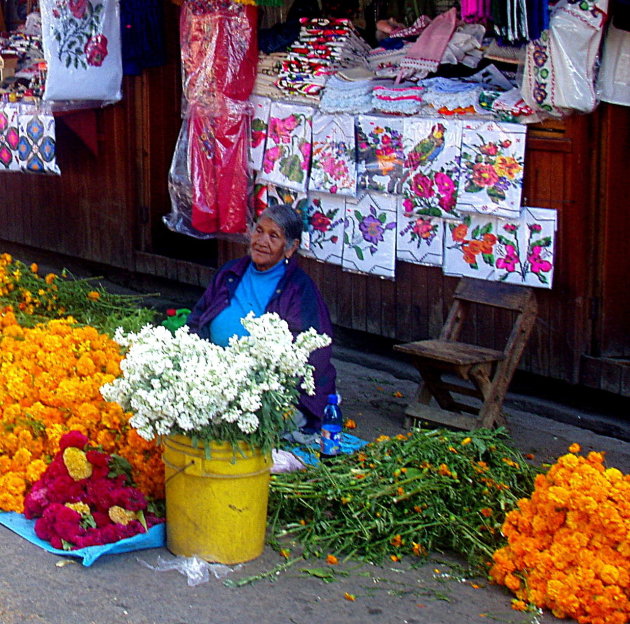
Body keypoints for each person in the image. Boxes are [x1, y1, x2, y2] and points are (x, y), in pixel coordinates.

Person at [186, 204, 337, 436]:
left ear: (290, 248)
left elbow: (312, 352)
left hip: (266, 390)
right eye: (259, 231)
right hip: (216, 375)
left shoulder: (298, 288)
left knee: (233, 426)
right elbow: (198, 319)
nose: (261, 241)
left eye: (273, 236)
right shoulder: (231, 272)